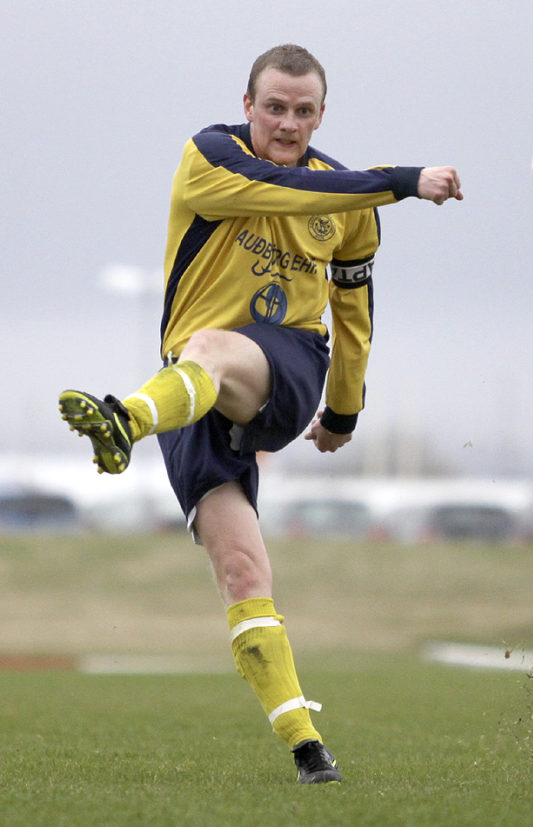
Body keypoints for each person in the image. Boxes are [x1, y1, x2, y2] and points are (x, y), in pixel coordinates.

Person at [58, 44, 462, 784]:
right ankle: (310, 749)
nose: (286, 122)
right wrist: (397, 181)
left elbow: (354, 313)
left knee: (211, 347)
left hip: (285, 368)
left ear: (320, 115)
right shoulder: (209, 156)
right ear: (248, 106)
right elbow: (278, 189)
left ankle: (122, 420)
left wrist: (342, 408)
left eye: (302, 111)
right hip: (190, 392)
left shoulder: (349, 201)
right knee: (241, 571)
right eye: (274, 107)